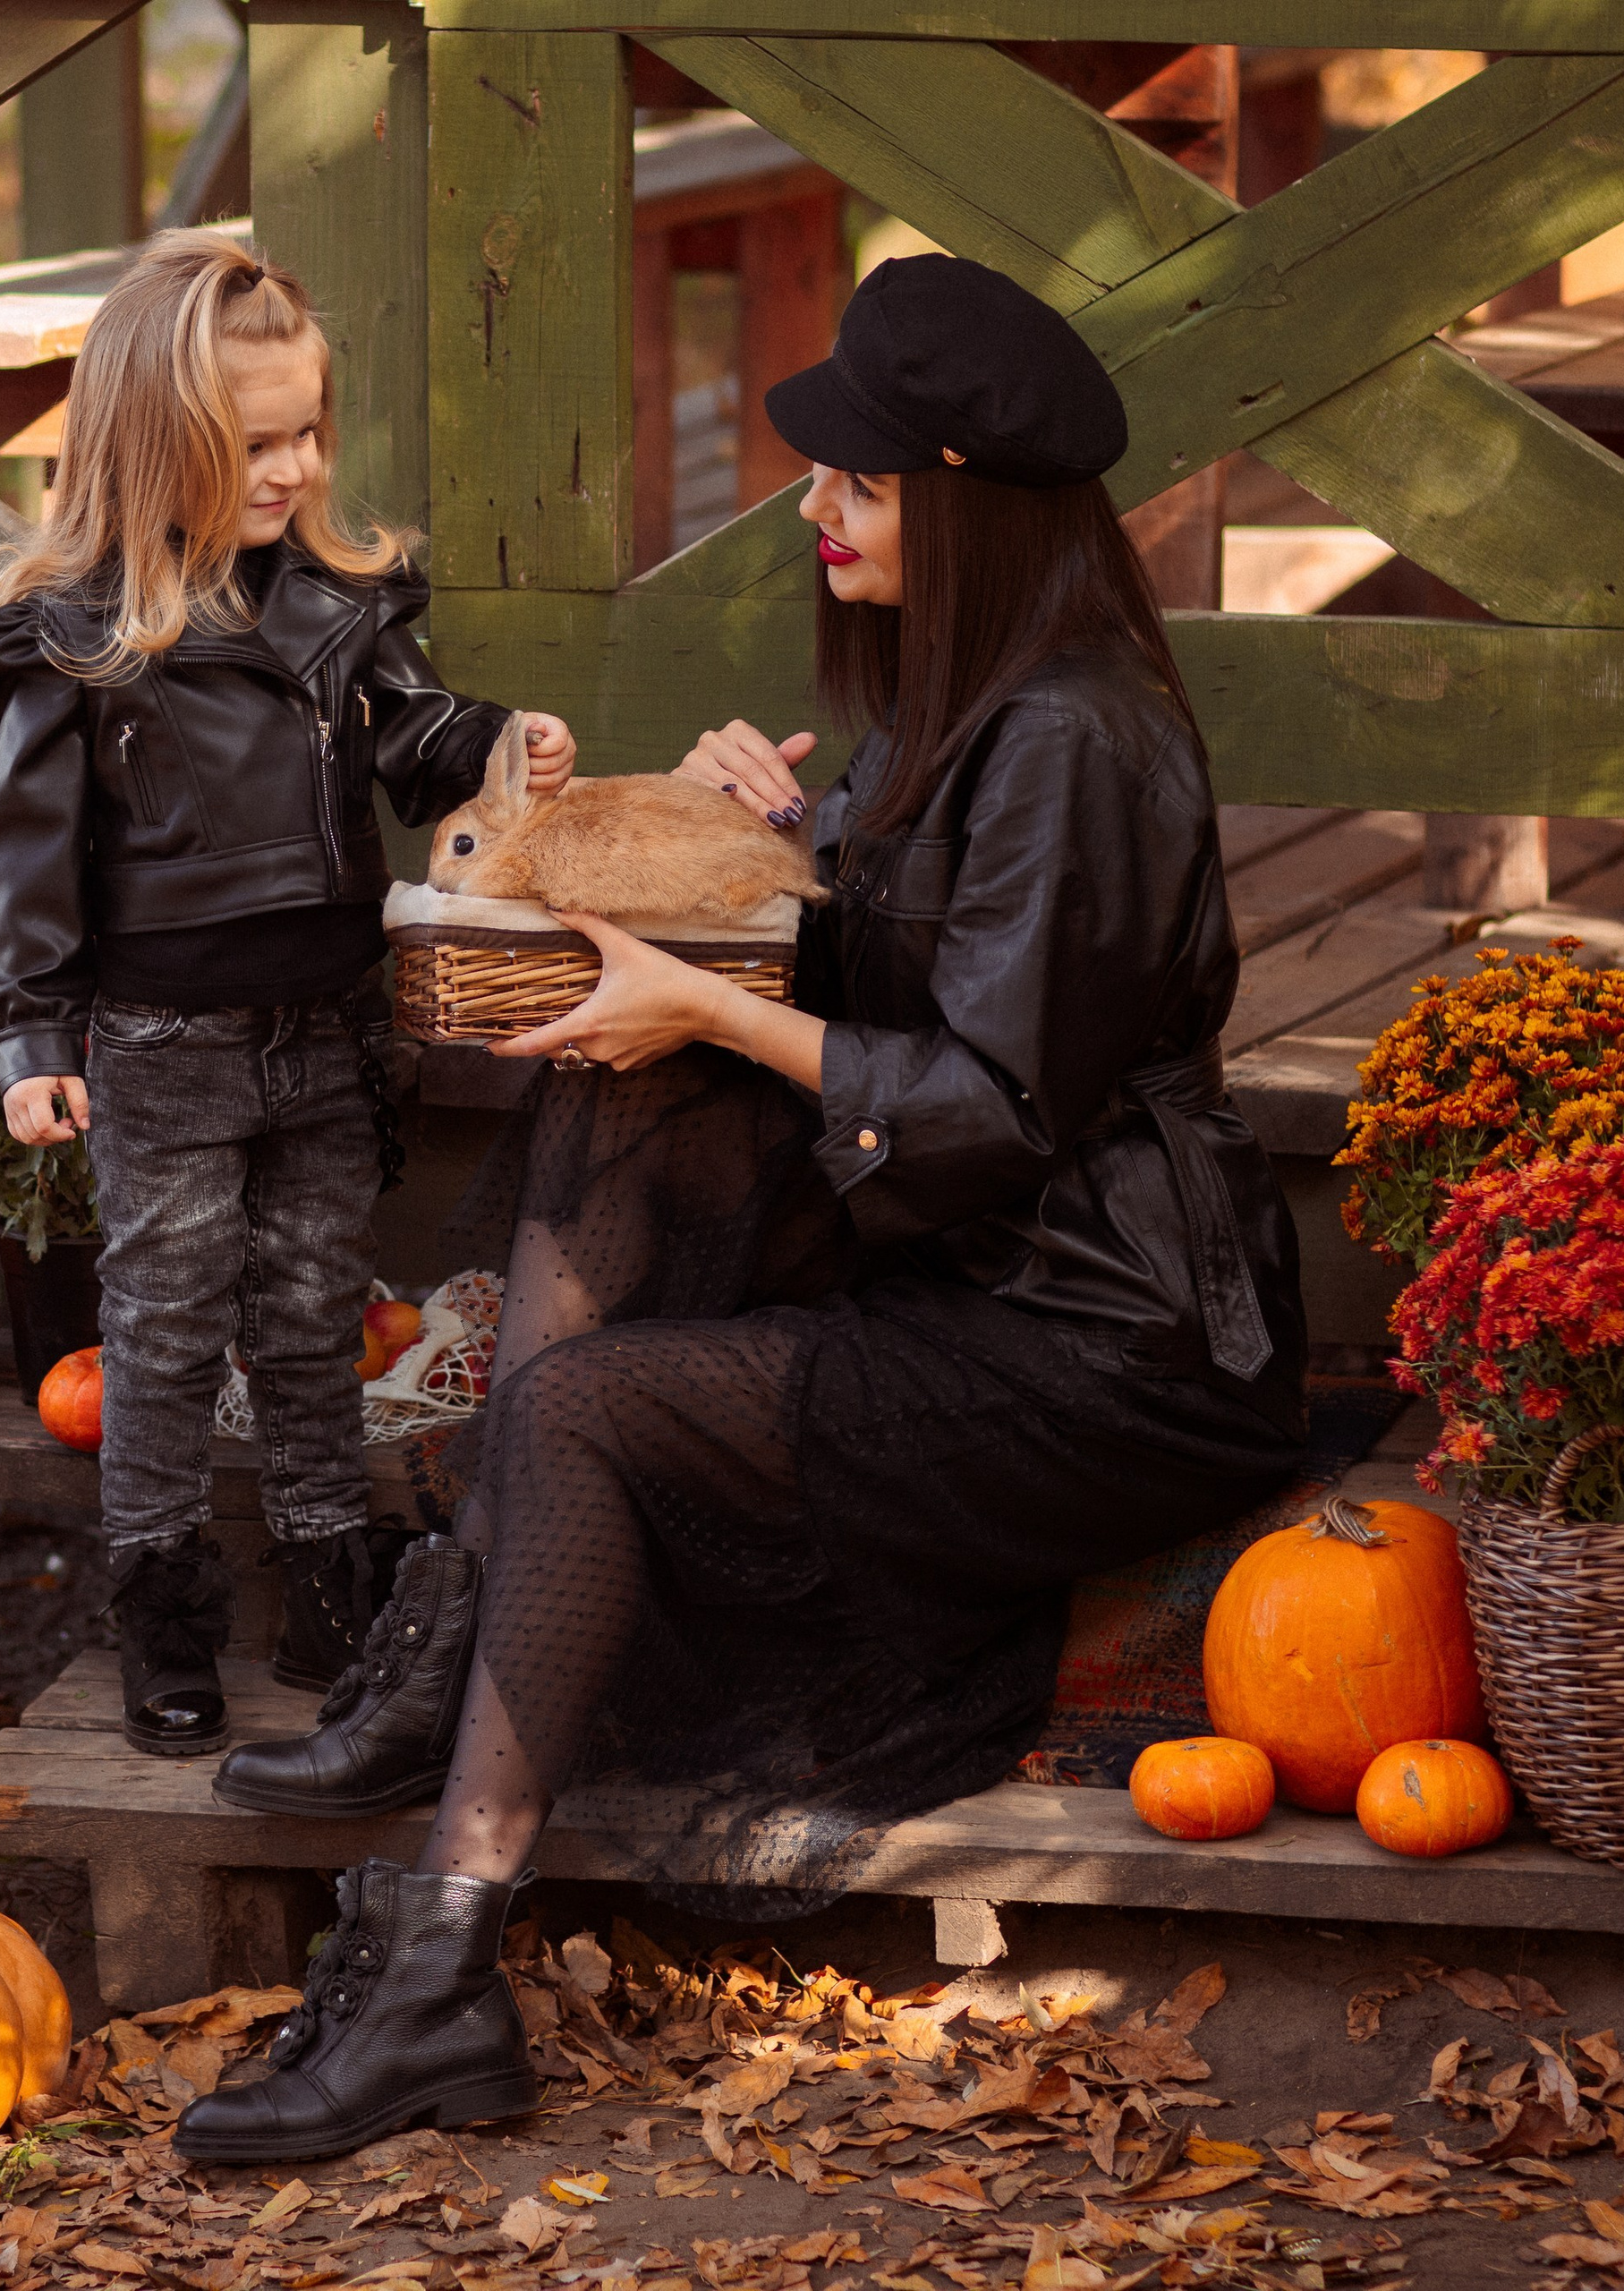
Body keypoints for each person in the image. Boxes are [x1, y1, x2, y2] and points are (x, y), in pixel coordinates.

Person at [178, 254, 1309, 2163]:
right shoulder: (969, 696)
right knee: (631, 1093)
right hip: (972, 1255)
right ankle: (453, 1646)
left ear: (956, 499)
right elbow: (911, 981)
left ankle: (439, 1951)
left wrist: (714, 991)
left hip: (1101, 1342)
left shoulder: (1078, 740)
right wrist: (772, 859)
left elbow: (995, 1103)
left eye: (855, 484)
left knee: (577, 1391)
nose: (813, 509)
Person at [0, 230, 577, 1757]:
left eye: (310, 432)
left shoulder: (331, 609)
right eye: (255, 444)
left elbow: (419, 738)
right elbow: (22, 864)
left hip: (328, 1029)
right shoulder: (79, 652)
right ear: (152, 443)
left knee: (311, 1317)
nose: (295, 468)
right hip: (166, 1046)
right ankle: (163, 1611)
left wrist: (505, 745)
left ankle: (324, 1588)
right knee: (164, 1333)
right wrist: (29, 1027)